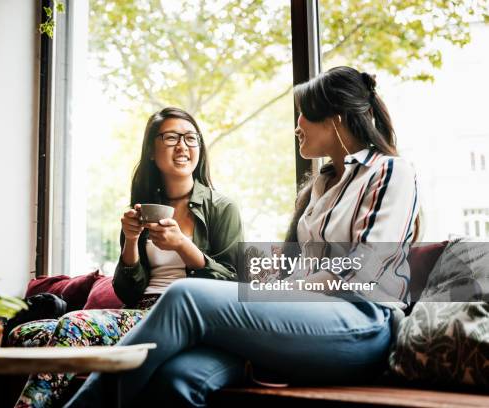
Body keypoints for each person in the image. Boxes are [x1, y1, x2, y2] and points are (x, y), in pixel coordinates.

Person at [62, 66, 420, 408]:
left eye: (303, 115)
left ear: (335, 119)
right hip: (303, 319)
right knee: (175, 378)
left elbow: (362, 270)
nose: (297, 126)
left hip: (363, 325)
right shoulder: (320, 187)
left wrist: (272, 292)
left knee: (186, 294)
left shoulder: (390, 172)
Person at [12, 107, 244, 408]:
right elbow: (128, 291)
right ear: (151, 150)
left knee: (73, 326)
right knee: (24, 333)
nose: (183, 146)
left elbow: (236, 280)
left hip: (177, 316)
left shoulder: (221, 207)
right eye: (172, 137)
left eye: (191, 138)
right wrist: (131, 241)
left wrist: (183, 246)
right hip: (137, 312)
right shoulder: (145, 208)